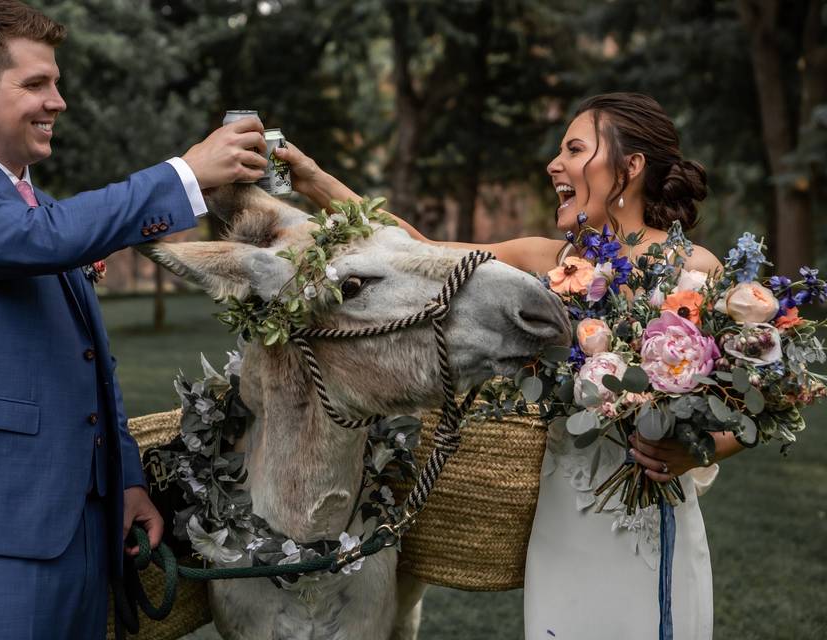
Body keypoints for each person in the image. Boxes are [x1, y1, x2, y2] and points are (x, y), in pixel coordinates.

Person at [275, 92, 744, 638]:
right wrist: (312, 179)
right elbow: (416, 249)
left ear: (630, 166)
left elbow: (747, 407)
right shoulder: (546, 260)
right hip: (560, 523)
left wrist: (691, 452)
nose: (554, 165)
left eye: (574, 148)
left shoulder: (694, 271)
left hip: (655, 524)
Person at [0, 1, 267, 637]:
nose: (58, 101)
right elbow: (40, 237)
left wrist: (126, 480)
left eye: (57, 82)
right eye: (36, 83)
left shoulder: (47, 213)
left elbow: (89, 363)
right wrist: (185, 175)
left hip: (84, 537)